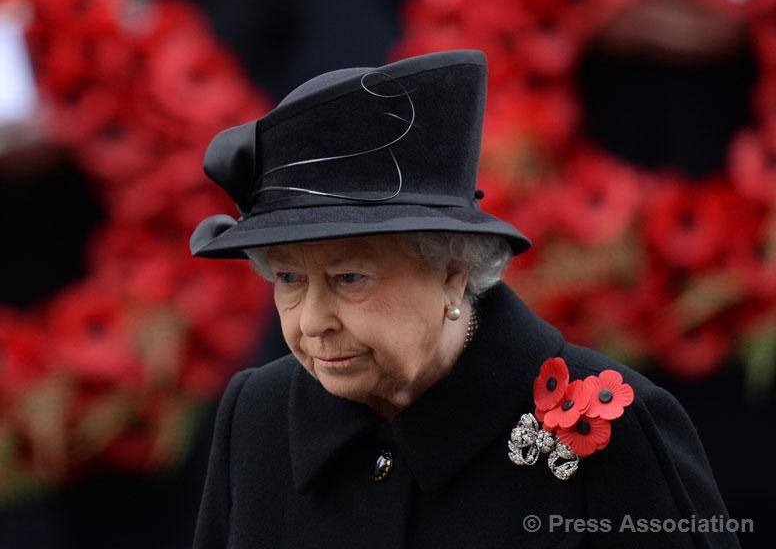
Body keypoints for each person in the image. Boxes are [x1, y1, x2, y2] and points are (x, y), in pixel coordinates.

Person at [189, 50, 740, 548]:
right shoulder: (257, 413)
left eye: (349, 278)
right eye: (289, 279)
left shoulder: (611, 425)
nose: (312, 322)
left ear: (452, 272)